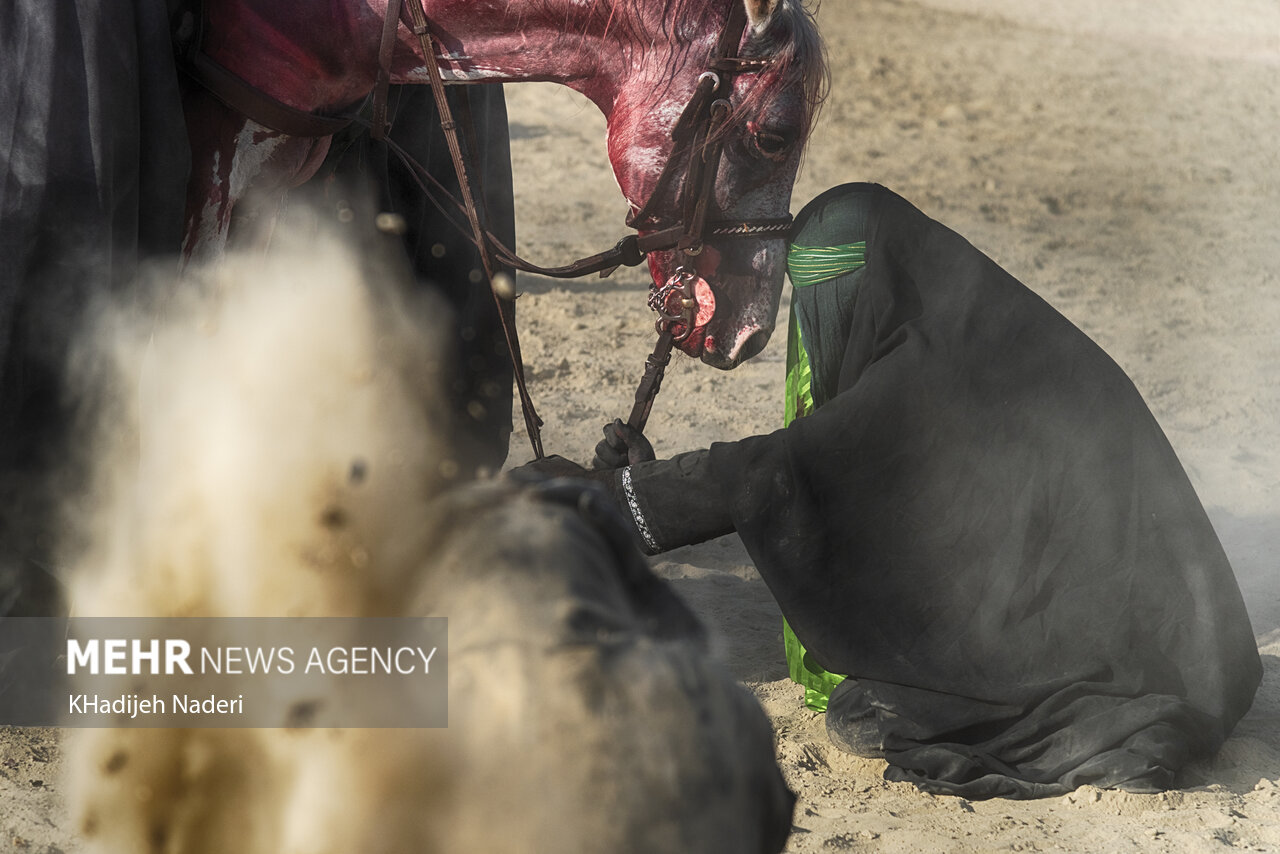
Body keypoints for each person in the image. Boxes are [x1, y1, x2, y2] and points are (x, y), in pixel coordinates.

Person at [521, 182, 1263, 799]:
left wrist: (611, 499)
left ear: (879, 276)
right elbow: (834, 477)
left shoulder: (930, 378)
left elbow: (780, 472)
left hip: (1132, 647)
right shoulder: (974, 332)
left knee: (881, 712)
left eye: (835, 291)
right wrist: (631, 481)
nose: (824, 316)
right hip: (1178, 631)